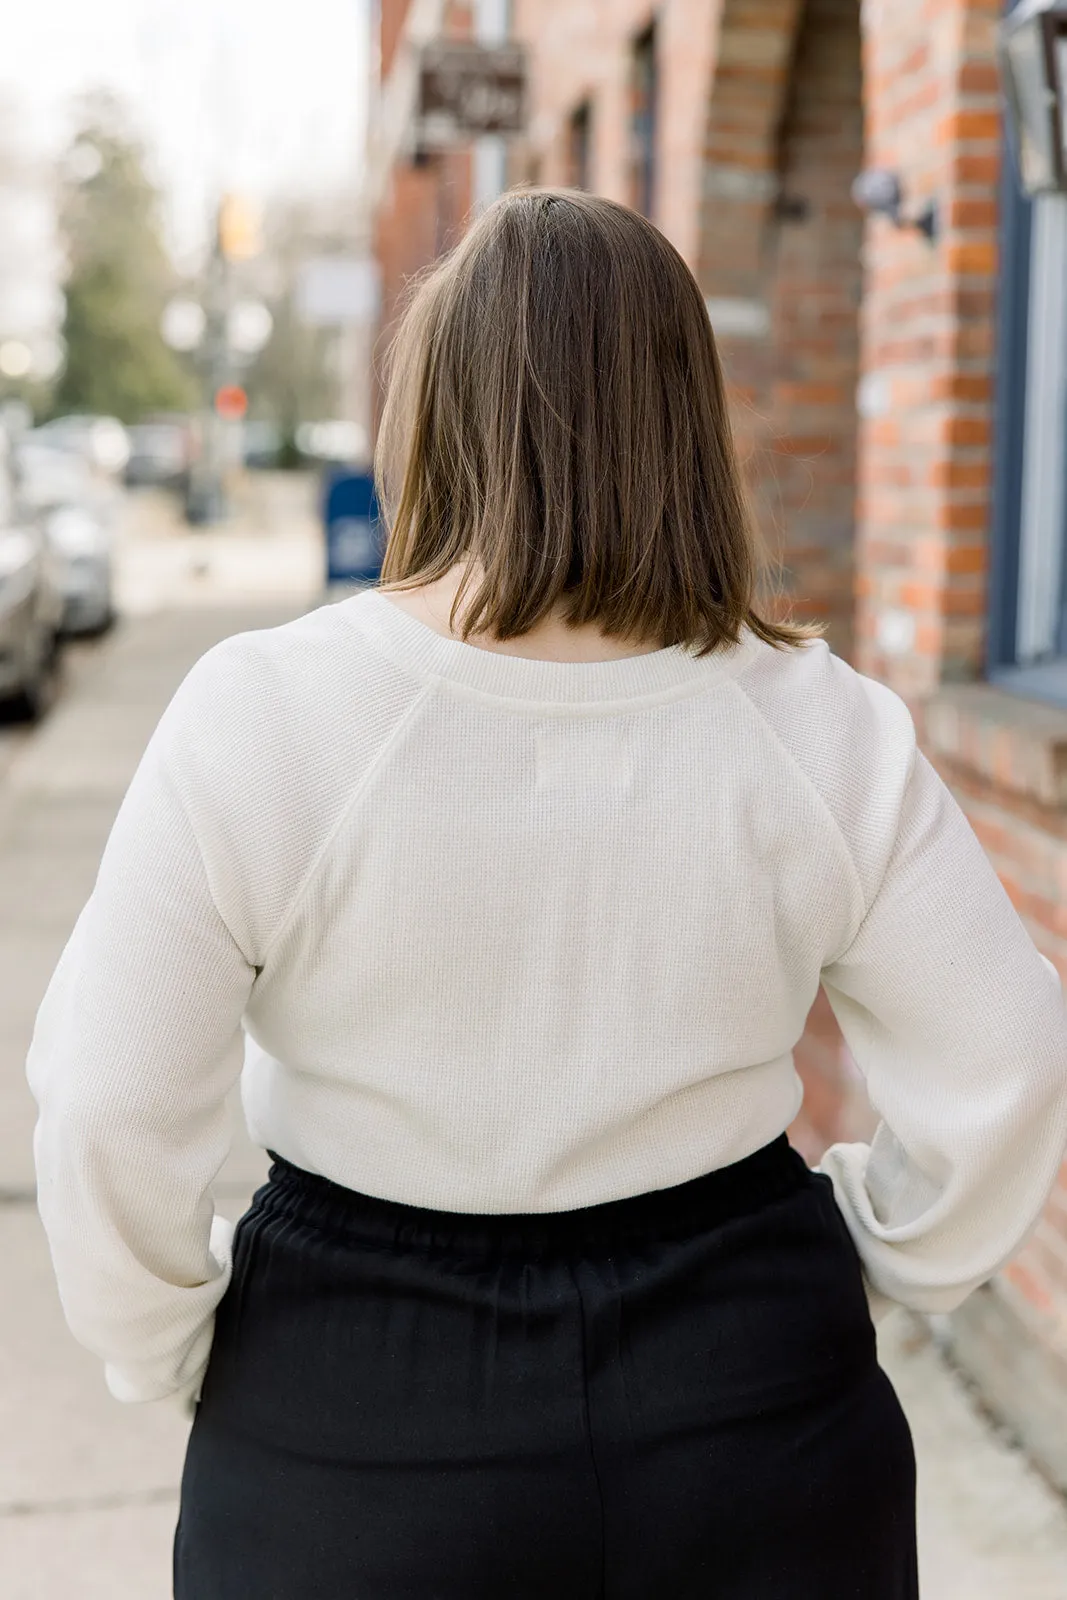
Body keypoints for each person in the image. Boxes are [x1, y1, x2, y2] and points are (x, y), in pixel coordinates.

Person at [27, 189, 1067, 1599]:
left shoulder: (263, 715)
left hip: (351, 1405)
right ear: (684, 418)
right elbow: (1007, 1055)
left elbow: (104, 1099)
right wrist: (878, 1264)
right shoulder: (819, 723)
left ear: (434, 412)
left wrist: (166, 1346)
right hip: (747, 1389)